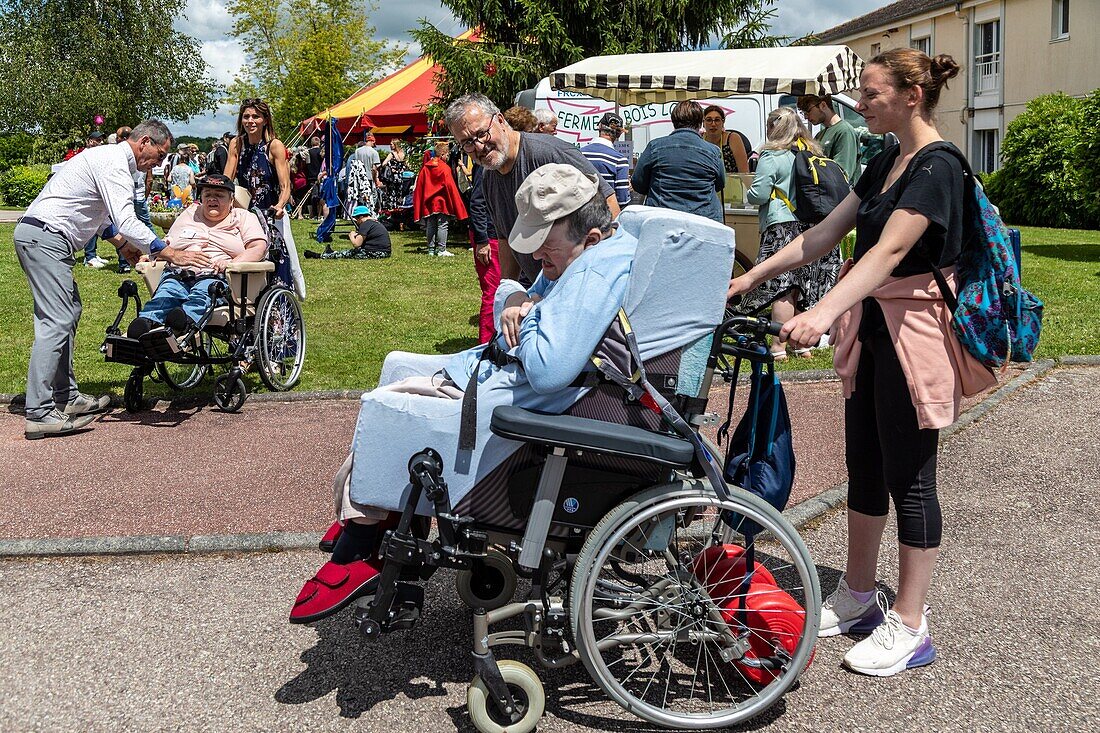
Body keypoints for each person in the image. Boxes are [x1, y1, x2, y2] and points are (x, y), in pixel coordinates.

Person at [728, 49, 991, 676]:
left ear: (911, 94)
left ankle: (911, 622)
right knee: (866, 467)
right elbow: (821, 237)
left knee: (912, 477)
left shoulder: (937, 167)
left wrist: (820, 313)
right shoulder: (882, 160)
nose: (859, 103)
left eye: (871, 93)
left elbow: (886, 255)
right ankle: (857, 597)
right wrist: (751, 279)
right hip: (873, 331)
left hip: (914, 334)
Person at [290, 164, 630, 623]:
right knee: (395, 365)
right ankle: (379, 517)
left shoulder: (592, 274)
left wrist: (522, 315)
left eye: (544, 248)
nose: (536, 258)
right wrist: (515, 300)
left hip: (520, 401)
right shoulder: (579, 258)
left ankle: (364, 535)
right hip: (499, 377)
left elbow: (549, 370)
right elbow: (521, 290)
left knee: (385, 408)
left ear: (588, 238)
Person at [15, 119, 174, 439]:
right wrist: (164, 249)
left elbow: (100, 217)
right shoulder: (114, 162)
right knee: (56, 319)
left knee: (68, 313)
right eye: (160, 154)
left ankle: (66, 397)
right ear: (144, 142)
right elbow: (125, 219)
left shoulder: (109, 161)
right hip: (46, 238)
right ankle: (40, 411)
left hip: (44, 237)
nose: (159, 163)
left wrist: (124, 247)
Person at [444, 93, 619, 284]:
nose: (479, 146)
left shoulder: (549, 152)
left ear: (500, 120)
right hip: (541, 287)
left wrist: (600, 274)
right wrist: (507, 290)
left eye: (481, 133)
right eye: (467, 143)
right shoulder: (489, 175)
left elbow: (609, 202)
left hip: (582, 283)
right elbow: (506, 239)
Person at [743, 106, 842, 359]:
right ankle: (803, 345)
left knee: (781, 287)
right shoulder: (811, 151)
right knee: (802, 286)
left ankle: (778, 347)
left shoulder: (771, 156)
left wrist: (748, 193)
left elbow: (760, 194)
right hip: (810, 225)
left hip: (781, 224)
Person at [127, 173, 268, 339]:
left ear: (231, 200)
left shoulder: (243, 217)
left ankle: (184, 322)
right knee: (167, 293)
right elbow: (169, 242)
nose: (212, 199)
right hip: (180, 273)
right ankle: (145, 323)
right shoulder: (190, 213)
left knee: (202, 293)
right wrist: (153, 256)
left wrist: (231, 263)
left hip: (217, 276)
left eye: (219, 196)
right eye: (207, 195)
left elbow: (258, 247)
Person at [631, 100, 725, 223]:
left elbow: (638, 183)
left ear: (674, 121)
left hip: (662, 220)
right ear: (699, 123)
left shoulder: (655, 147)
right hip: (704, 222)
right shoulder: (713, 151)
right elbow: (720, 184)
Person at [223, 98, 291, 221]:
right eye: (246, 117)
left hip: (272, 214)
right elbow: (226, 181)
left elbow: (285, 186)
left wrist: (280, 205)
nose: (250, 121)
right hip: (244, 215)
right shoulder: (236, 144)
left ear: (265, 120)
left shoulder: (274, 146)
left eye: (255, 117)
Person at [413, 141, 468, 257]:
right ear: (443, 154)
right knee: (443, 225)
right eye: (447, 155)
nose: (448, 157)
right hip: (442, 201)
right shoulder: (444, 168)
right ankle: (442, 250)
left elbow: (420, 185)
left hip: (428, 202)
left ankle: (431, 250)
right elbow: (450, 186)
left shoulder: (425, 167)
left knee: (431, 225)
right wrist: (457, 202)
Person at [467, 161, 500, 343]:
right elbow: (477, 201)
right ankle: (485, 344)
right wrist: (482, 240)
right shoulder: (488, 164)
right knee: (492, 291)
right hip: (489, 235)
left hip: (499, 233)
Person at [798, 94, 862, 184]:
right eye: (803, 113)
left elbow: (843, 173)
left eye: (808, 111)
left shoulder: (845, 131)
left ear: (823, 105)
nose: (806, 117)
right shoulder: (820, 135)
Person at [580, 112, 631, 209]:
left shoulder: (579, 154)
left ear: (599, 127)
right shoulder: (619, 160)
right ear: (619, 133)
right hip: (606, 217)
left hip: (580, 217)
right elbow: (622, 200)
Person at [304, 205, 392, 260]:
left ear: (361, 217)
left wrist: (351, 235)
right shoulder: (375, 223)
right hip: (383, 252)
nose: (357, 221)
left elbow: (357, 244)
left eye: (356, 219)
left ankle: (319, 256)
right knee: (351, 252)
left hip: (376, 253)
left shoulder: (365, 224)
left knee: (346, 254)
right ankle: (331, 252)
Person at [702, 105, 751, 175]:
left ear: (723, 122)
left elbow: (744, 173)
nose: (713, 124)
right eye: (709, 120)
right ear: (703, 123)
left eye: (717, 120)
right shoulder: (698, 139)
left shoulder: (733, 138)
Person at [378, 139, 409, 212]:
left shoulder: (392, 154)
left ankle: (391, 210)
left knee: (391, 194)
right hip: (400, 177)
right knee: (399, 194)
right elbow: (408, 165)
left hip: (392, 178)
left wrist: (390, 167)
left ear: (395, 145)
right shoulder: (403, 154)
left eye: (391, 144)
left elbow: (384, 164)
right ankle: (399, 209)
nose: (390, 145)